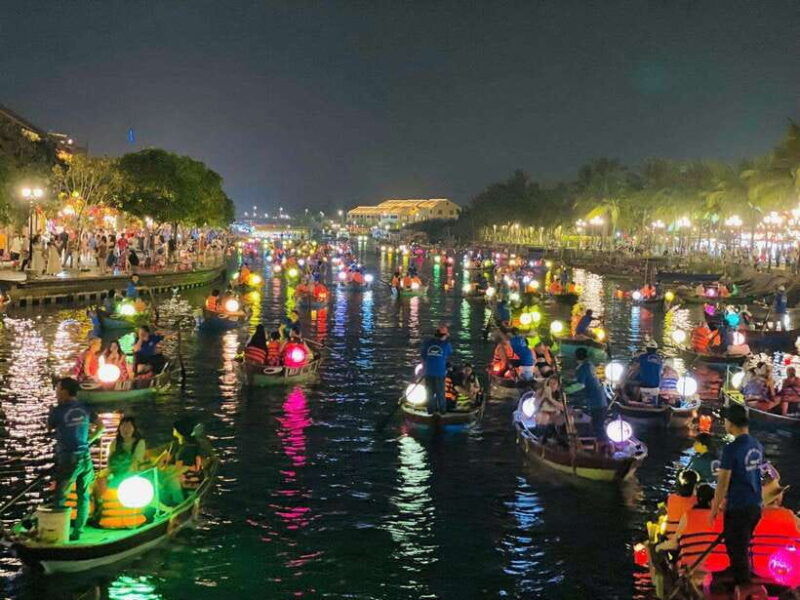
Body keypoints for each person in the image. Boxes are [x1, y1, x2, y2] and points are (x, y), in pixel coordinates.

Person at [710, 403, 765, 594]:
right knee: (740, 543)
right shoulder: (757, 444)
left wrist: (714, 508)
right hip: (755, 505)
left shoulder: (731, 449)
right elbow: (757, 476)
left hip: (739, 505)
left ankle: (745, 587)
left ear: (730, 423)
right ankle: (737, 572)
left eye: (725, 420)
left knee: (736, 546)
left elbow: (722, 483)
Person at [48, 377, 105, 540]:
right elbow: (101, 426)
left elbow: (49, 427)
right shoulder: (85, 407)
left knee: (60, 495)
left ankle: (58, 532)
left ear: (65, 391)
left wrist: (51, 412)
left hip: (68, 457)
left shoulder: (59, 410)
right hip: (85, 456)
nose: (56, 392)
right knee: (83, 495)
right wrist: (88, 440)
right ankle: (78, 531)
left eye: (58, 389)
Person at [656, 483, 727, 584]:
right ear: (712, 501)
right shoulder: (722, 517)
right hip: (720, 567)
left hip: (691, 568)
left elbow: (674, 543)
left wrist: (658, 547)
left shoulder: (688, 516)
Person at [158, 418, 208, 506]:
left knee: (172, 481)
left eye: (175, 428)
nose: (173, 430)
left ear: (179, 431)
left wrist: (167, 478)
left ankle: (179, 503)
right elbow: (164, 458)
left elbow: (184, 468)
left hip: (187, 476)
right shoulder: (176, 444)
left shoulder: (188, 448)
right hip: (177, 471)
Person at [574, 347, 607, 441]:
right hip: (601, 400)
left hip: (595, 402)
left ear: (576, 357)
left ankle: (603, 447)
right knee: (598, 425)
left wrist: (566, 390)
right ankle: (600, 444)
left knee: (598, 428)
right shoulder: (590, 365)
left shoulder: (582, 368)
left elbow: (580, 385)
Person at [420, 327, 453, 414]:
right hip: (439, 373)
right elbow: (449, 353)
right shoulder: (446, 344)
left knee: (429, 394)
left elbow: (423, 356)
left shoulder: (427, 343)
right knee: (440, 393)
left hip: (428, 372)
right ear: (444, 336)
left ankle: (430, 411)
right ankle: (442, 412)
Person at [663, 469, 699, 538]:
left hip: (669, 536)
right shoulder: (697, 501)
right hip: (688, 538)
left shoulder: (670, 498)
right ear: (695, 485)